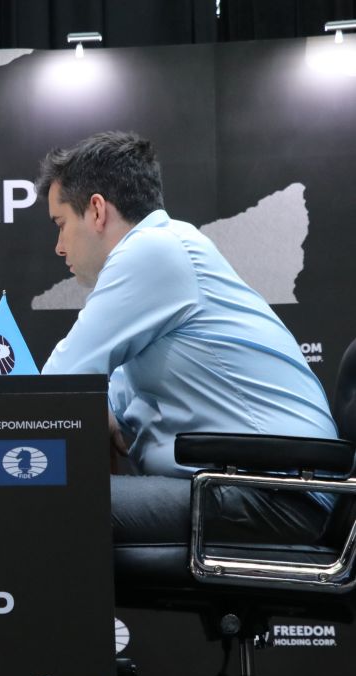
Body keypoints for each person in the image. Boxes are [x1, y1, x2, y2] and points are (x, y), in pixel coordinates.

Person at [36, 131, 337, 544]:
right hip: (262, 485)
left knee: (49, 501)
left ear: (97, 211)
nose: (58, 246)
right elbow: (116, 407)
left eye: (61, 224)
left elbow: (56, 385)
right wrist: (105, 412)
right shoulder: (168, 250)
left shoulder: (152, 253)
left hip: (273, 493)